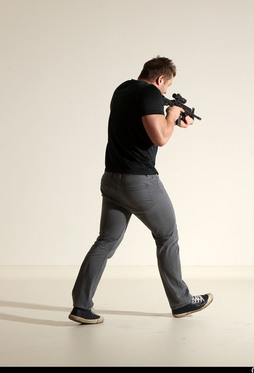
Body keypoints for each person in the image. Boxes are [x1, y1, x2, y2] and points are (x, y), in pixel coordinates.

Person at [69, 56, 213, 324]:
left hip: (112, 179)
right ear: (160, 79)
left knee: (105, 242)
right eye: (167, 87)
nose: (166, 93)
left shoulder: (123, 89)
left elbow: (142, 129)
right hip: (140, 182)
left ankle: (80, 306)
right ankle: (181, 302)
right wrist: (170, 115)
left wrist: (171, 120)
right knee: (167, 236)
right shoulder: (151, 93)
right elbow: (160, 138)